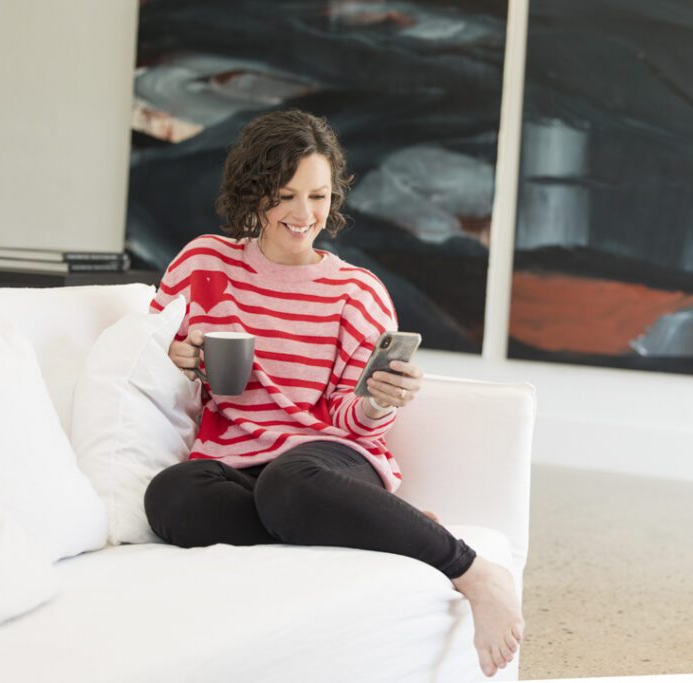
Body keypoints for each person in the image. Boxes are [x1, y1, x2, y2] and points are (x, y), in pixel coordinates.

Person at [143, 109, 523, 677]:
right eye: (285, 194)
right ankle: (370, 522)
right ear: (253, 191)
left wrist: (378, 401)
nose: (304, 215)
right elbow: (144, 357)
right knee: (171, 497)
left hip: (326, 460)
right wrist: (173, 360)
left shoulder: (356, 292)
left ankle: (470, 569)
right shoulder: (204, 263)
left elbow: (357, 424)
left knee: (292, 483)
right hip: (232, 462)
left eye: (318, 196)